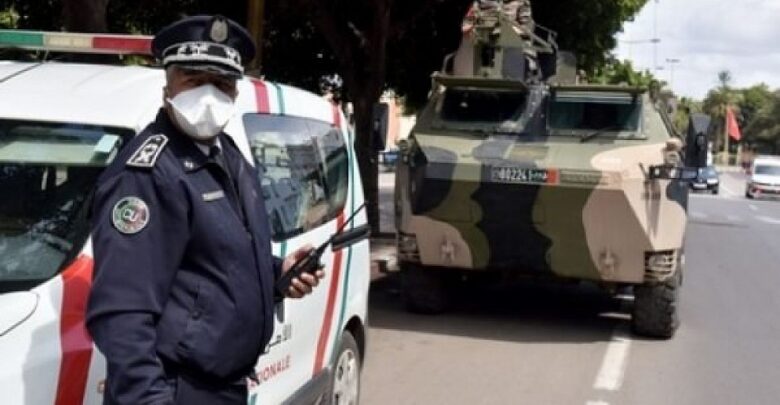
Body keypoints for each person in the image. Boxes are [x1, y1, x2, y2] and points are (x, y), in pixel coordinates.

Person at [86, 15, 324, 405]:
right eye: (195, 81)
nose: (209, 96)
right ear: (168, 87)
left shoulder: (226, 153)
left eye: (222, 84)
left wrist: (276, 271)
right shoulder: (148, 174)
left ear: (235, 92)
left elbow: (214, 259)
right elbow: (122, 312)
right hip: (175, 390)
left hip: (222, 386)